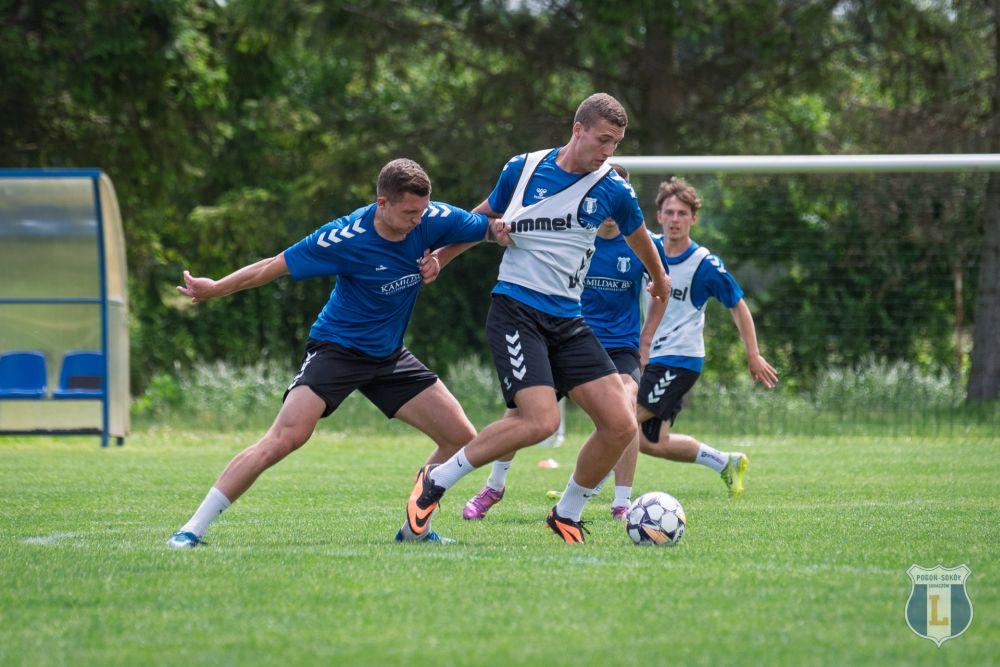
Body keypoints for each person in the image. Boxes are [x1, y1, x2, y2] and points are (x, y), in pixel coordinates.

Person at [166, 158, 508, 548]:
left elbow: (485, 229)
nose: (419, 220)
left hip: (389, 357)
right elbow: (272, 267)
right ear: (382, 203)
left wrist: (443, 256)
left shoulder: (431, 217)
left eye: (423, 211)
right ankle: (191, 529)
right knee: (284, 438)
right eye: (410, 212)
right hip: (338, 350)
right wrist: (215, 289)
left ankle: (416, 529)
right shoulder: (345, 236)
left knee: (461, 439)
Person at [400, 93, 671, 544]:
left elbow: (640, 239)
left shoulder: (613, 189)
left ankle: (566, 513)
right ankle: (436, 482)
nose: (608, 152)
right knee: (539, 421)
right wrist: (443, 258)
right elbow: (481, 218)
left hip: (567, 319)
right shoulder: (522, 168)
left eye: (616, 144)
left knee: (621, 424)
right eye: (603, 140)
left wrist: (660, 281)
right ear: (577, 129)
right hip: (516, 311)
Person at [461, 164, 666, 522]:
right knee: (523, 412)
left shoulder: (639, 243)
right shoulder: (574, 231)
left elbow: (663, 290)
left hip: (618, 345)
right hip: (568, 336)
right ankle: (494, 486)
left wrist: (646, 342)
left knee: (625, 407)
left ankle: (621, 502)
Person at [633, 177, 778, 496]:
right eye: (669, 213)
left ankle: (579, 491)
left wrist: (752, 354)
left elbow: (738, 306)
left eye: (682, 213)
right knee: (650, 441)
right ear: (658, 216)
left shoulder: (705, 264)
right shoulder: (647, 250)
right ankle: (725, 462)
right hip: (650, 356)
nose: (674, 220)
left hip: (680, 359)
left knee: (620, 420)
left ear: (693, 219)